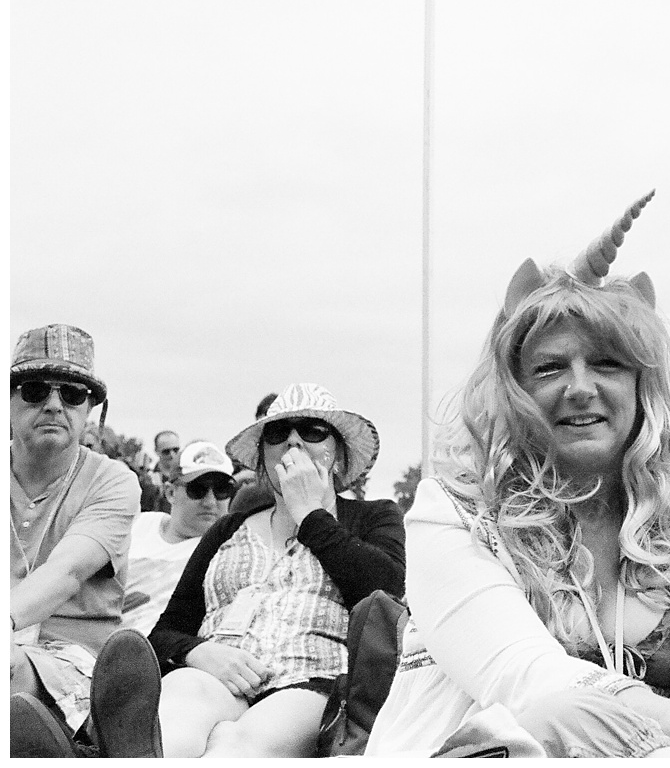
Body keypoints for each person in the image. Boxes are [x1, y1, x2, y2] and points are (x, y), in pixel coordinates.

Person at [367, 193, 670, 758]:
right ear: (514, 391)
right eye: (550, 367)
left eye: (608, 364)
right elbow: (532, 684)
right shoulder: (452, 513)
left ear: (644, 387)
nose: (581, 387)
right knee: (557, 712)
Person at [63, 382, 406, 759]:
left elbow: (385, 590)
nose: (293, 443)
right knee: (175, 715)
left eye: (312, 431)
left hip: (311, 682)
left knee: (233, 743)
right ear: (263, 459)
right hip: (217, 674)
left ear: (337, 455)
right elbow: (166, 630)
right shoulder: (228, 529)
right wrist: (198, 652)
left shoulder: (375, 517)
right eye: (278, 434)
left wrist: (309, 514)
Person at [9, 324, 141, 754]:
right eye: (33, 390)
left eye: (72, 394)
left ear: (90, 410)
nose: (53, 404)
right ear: (8, 402)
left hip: (72, 659)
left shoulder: (113, 481)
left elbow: (66, 573)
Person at [119, 442, 234, 636]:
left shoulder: (231, 549)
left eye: (222, 490)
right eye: (197, 489)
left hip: (164, 653)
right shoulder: (138, 525)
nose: (210, 501)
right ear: (170, 492)